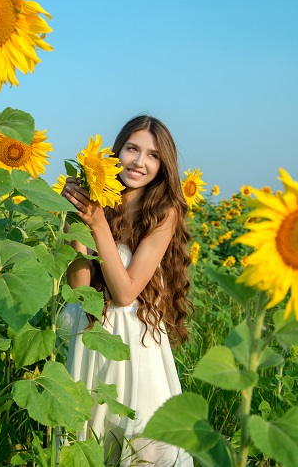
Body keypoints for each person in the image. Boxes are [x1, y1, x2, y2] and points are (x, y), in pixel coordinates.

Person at [60, 115, 193, 466]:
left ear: (163, 166)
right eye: (132, 149)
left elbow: (125, 293)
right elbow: (79, 289)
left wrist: (97, 223)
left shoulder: (163, 213)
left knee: (143, 447)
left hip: (135, 342)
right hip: (90, 333)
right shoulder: (98, 204)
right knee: (89, 443)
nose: (140, 162)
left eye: (152, 155)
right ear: (115, 152)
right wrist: (75, 217)